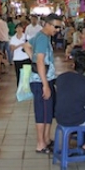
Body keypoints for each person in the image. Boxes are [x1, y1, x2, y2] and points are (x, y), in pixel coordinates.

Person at [24, 13, 62, 154]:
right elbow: (40, 61)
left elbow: (26, 45)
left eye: (59, 27)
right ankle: (40, 144)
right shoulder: (42, 39)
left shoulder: (42, 36)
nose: (57, 30)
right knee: (42, 112)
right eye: (56, 27)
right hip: (41, 81)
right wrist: (45, 85)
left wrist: (32, 57)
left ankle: (46, 139)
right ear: (47, 24)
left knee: (48, 112)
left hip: (46, 79)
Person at [55, 50, 85, 148]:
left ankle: (66, 144)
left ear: (73, 65)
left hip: (59, 116)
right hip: (78, 118)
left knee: (70, 108)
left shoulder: (60, 78)